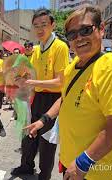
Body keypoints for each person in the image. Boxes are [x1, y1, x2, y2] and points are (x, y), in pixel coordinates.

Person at [25, 6, 112, 179]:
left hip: (98, 171)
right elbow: (64, 98)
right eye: (72, 34)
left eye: (85, 30)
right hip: (72, 164)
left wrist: (83, 162)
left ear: (101, 29)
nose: (79, 38)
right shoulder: (74, 65)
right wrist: (43, 120)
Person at [11, 8, 69, 180]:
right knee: (28, 136)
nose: (39, 29)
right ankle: (26, 167)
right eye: (36, 25)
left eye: (44, 24)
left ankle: (44, 175)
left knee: (47, 142)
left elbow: (60, 81)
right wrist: (22, 78)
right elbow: (32, 74)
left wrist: (33, 82)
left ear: (52, 25)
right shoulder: (36, 50)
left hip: (53, 100)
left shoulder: (60, 47)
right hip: (36, 97)